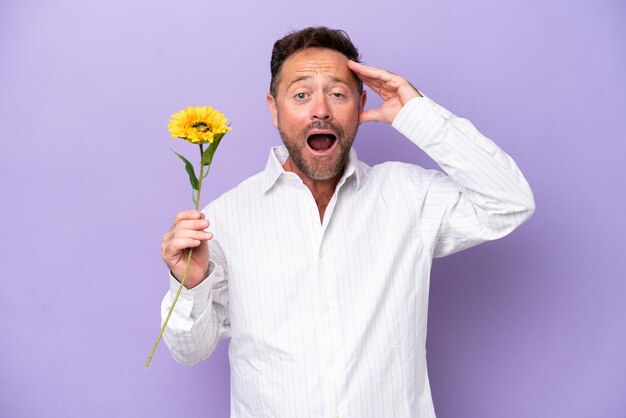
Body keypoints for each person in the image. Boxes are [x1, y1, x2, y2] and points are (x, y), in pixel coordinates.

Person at [159, 27, 535, 418]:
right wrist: (191, 284)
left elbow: (509, 202)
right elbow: (189, 351)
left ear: (360, 104)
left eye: (337, 93)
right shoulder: (223, 218)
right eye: (301, 94)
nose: (320, 110)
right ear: (274, 109)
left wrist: (417, 113)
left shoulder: (408, 195)